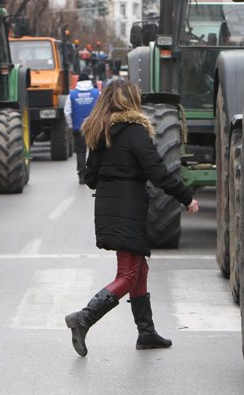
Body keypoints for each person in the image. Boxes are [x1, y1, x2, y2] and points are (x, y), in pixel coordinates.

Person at [64, 81, 199, 357]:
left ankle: (146, 332)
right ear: (131, 102)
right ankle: (84, 318)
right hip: (128, 208)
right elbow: (158, 172)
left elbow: (90, 179)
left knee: (139, 269)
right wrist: (186, 197)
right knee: (127, 274)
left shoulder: (100, 133)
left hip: (108, 208)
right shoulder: (136, 131)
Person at [64, 71, 100, 184]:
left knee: (80, 152)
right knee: (96, 150)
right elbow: (102, 109)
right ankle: (95, 174)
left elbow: (67, 111)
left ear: (78, 81)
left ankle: (82, 176)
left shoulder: (72, 95)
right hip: (94, 128)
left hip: (78, 129)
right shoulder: (96, 93)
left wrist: (71, 125)